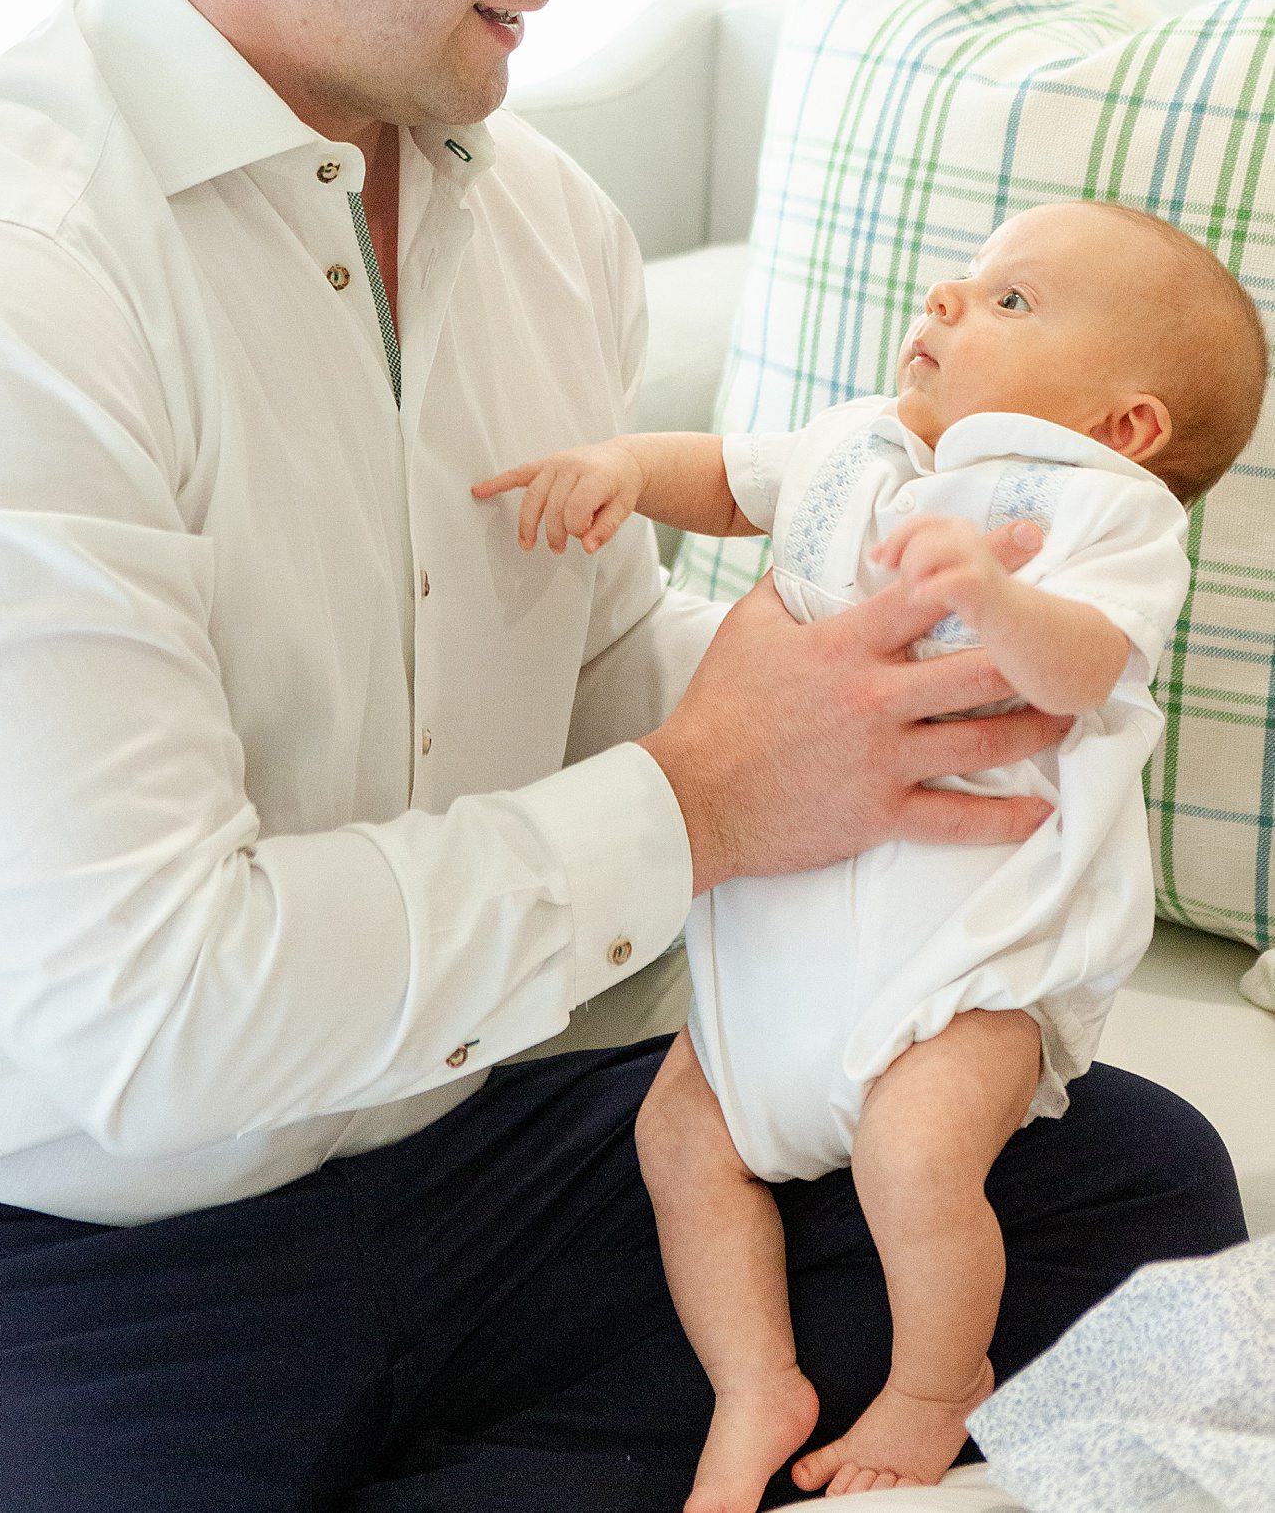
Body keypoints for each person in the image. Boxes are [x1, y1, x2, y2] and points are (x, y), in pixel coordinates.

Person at [0, 0, 1245, 1513]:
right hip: (24, 1242)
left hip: (462, 1156)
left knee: (1135, 1192)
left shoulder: (536, 223)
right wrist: (716, 789)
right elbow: (160, 1017)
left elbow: (580, 691)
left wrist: (880, 692)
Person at [476, 198, 1268, 1503]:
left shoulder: (1106, 513)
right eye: (963, 281)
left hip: (961, 969)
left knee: (918, 1156)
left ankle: (928, 1384)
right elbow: (733, 478)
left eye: (1013, 300)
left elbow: (1084, 669)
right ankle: (755, 1379)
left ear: (1128, 424)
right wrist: (624, 468)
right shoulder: (866, 447)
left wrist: (991, 593)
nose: (952, 301)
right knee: (682, 1134)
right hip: (771, 960)